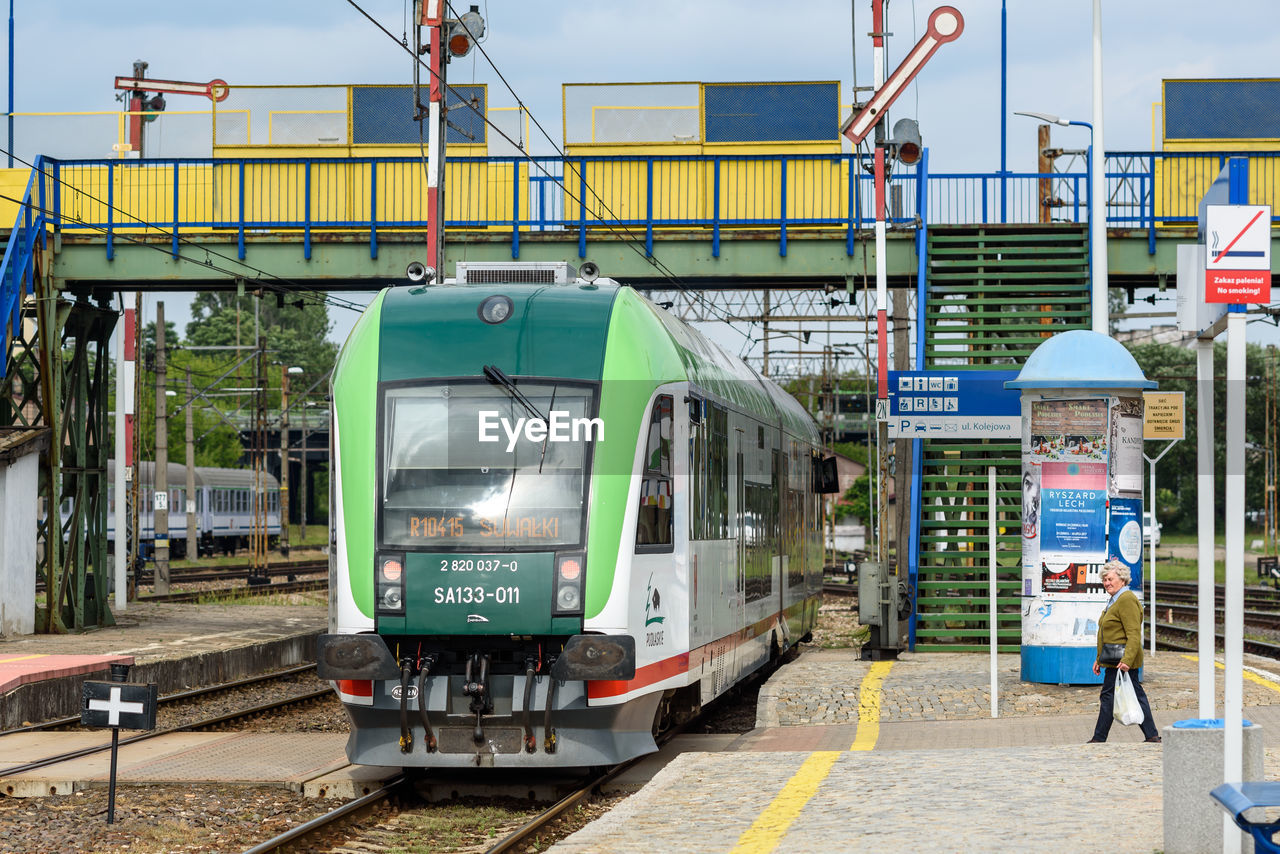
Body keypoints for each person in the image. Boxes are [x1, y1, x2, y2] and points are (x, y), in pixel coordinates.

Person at [1088, 560, 1161, 743]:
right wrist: (1099, 659)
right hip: (1113, 658)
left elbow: (1134, 633)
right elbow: (1108, 632)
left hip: (1121, 660)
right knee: (1129, 694)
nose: (1106, 583)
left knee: (1109, 696)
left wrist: (1127, 660)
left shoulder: (1126, 599)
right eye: (1104, 580)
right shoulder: (1115, 599)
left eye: (1110, 579)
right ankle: (1151, 735)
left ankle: (1099, 738)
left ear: (1122, 579)